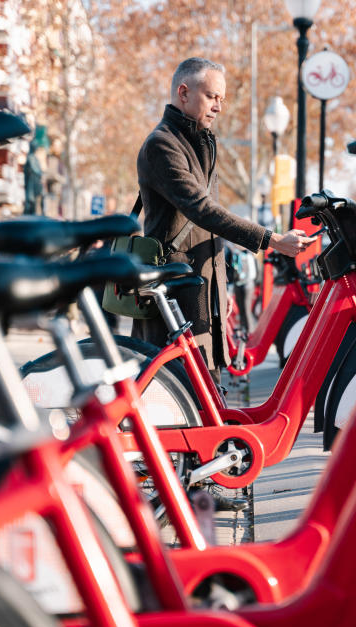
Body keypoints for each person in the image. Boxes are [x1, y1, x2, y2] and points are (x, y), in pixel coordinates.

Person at [133, 57, 313, 384]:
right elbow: (202, 210)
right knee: (177, 392)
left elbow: (208, 225)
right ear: (183, 92)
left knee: (207, 388)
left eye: (221, 99)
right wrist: (271, 239)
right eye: (212, 96)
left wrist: (221, 285)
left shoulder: (201, 141)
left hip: (202, 286)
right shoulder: (162, 145)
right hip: (176, 292)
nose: (218, 106)